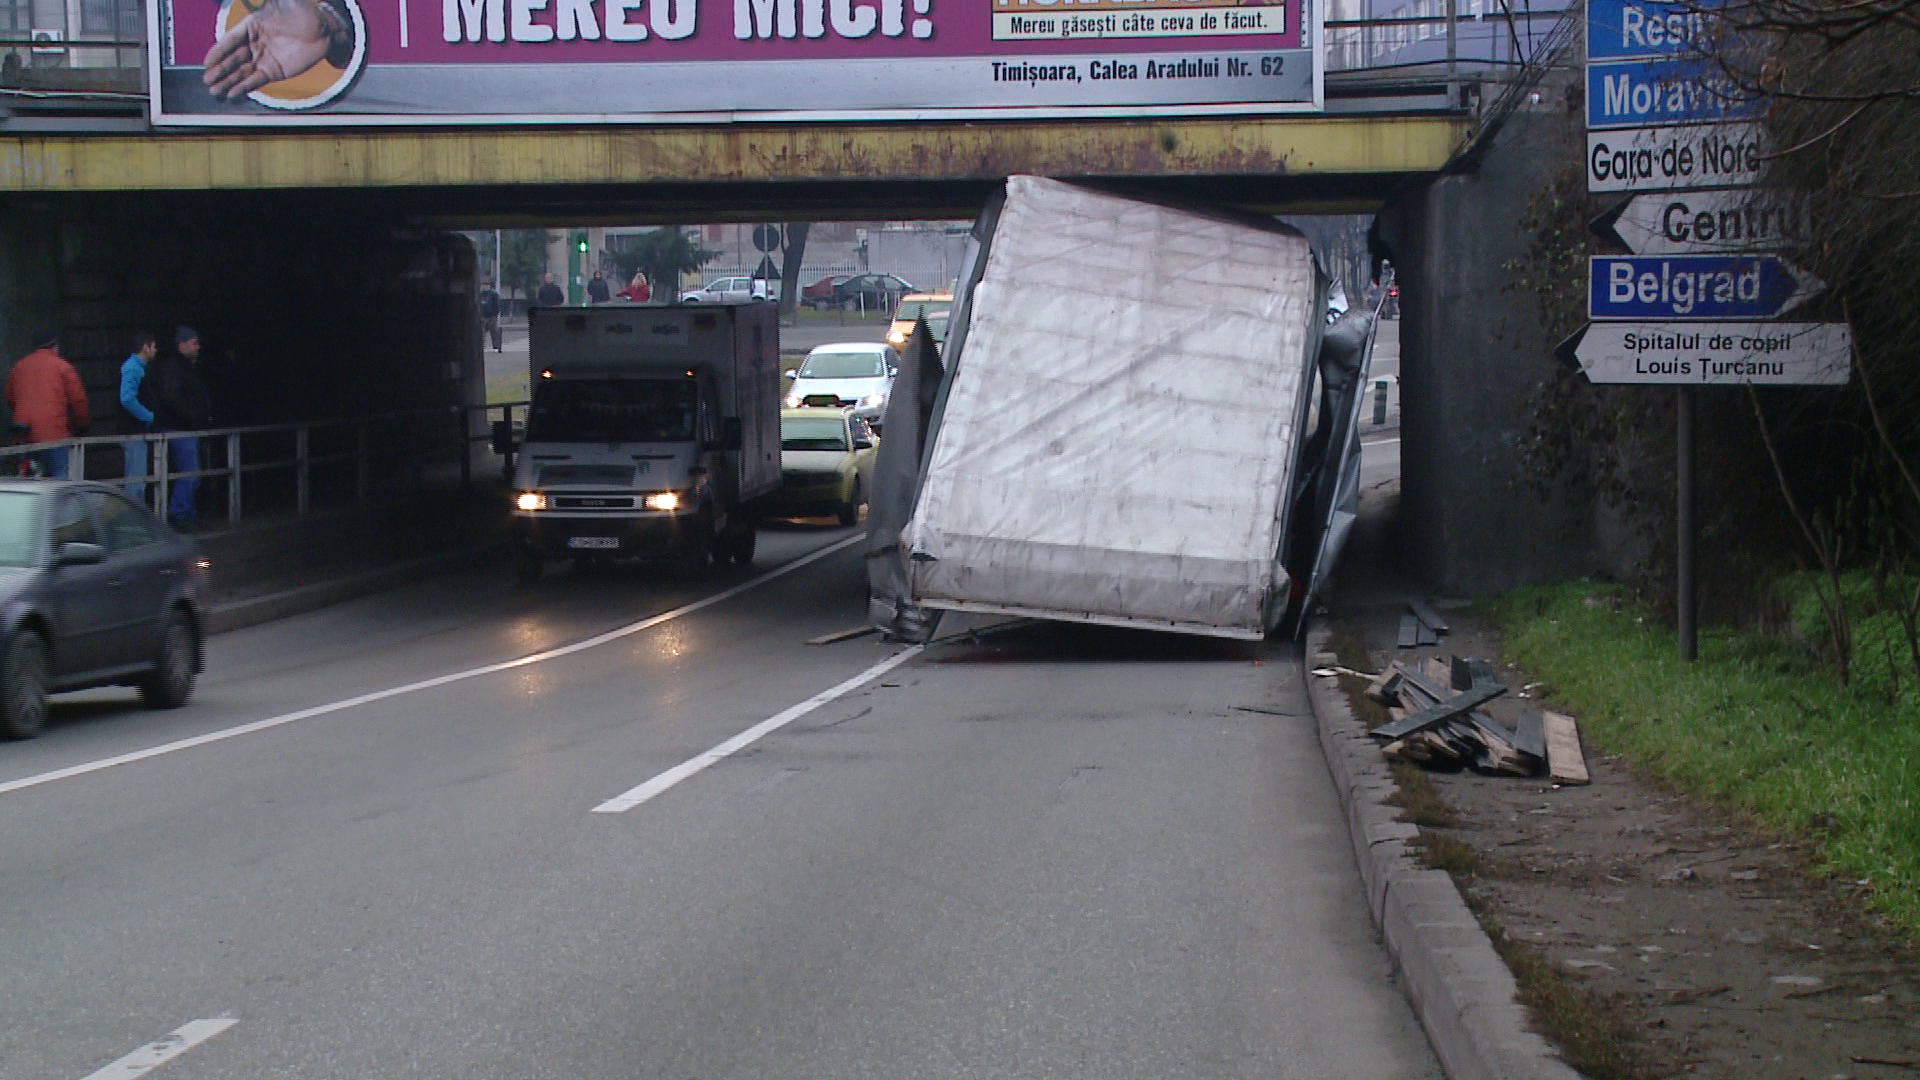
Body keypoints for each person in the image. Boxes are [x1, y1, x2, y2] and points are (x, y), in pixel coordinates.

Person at [147, 326, 213, 530]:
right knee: (190, 472)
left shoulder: (183, 367)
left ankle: (187, 514)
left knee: (191, 473)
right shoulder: (175, 368)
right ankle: (179, 514)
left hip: (185, 427)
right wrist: (193, 416)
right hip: (179, 427)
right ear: (182, 344)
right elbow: (172, 397)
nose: (198, 347)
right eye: (194, 342)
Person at [5, 330, 88, 479]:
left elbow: (10, 398)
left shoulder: (18, 367)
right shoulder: (63, 367)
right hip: (55, 433)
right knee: (60, 478)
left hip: (25, 435)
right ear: (54, 346)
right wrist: (83, 426)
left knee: (28, 478)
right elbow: (79, 401)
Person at [121, 330, 158, 502]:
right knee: (136, 480)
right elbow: (127, 399)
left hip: (134, 429)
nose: (156, 350)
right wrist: (148, 416)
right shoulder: (134, 368)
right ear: (146, 347)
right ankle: (132, 521)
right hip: (134, 430)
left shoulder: (137, 367)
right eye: (154, 347)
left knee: (136, 477)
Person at [478, 280, 503, 351]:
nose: (482, 286)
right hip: (483, 316)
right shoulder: (480, 294)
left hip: (492, 317)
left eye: (484, 285)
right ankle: (481, 347)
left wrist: (495, 314)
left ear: (488, 285)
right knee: (482, 333)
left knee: (494, 332)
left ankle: (496, 347)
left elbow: (497, 305)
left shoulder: (493, 294)